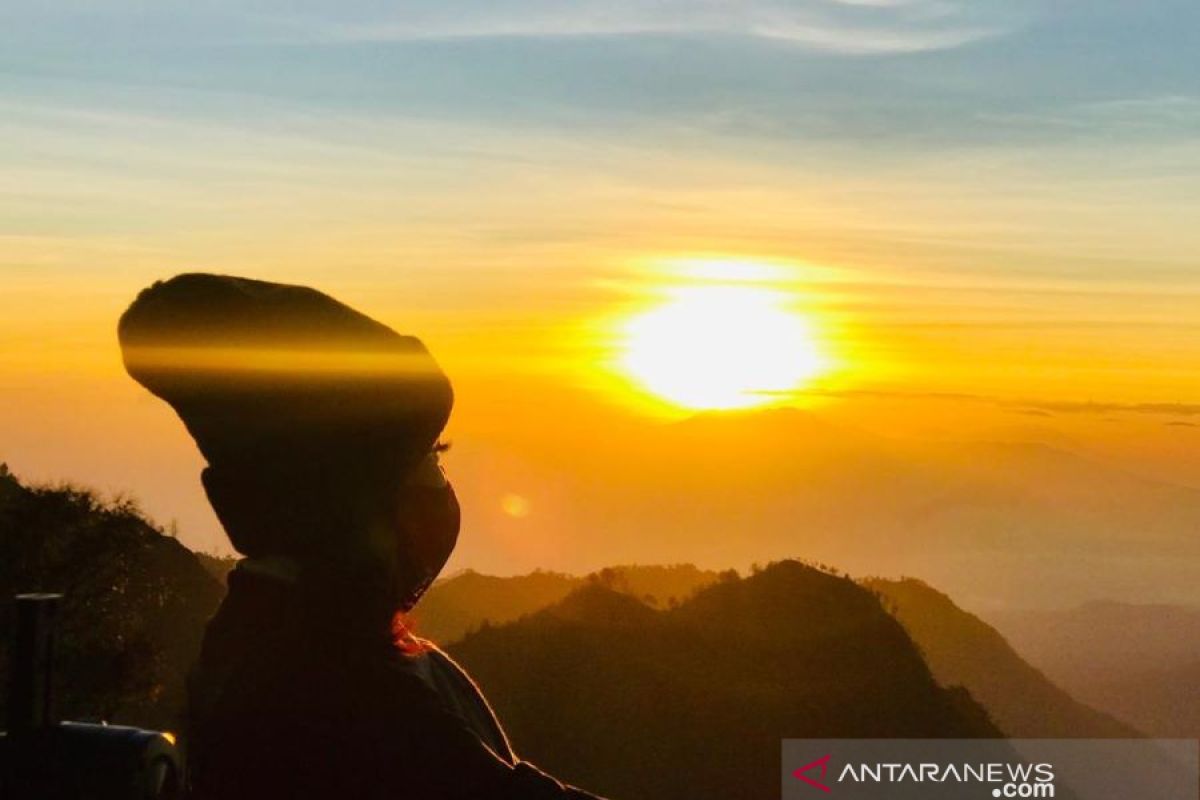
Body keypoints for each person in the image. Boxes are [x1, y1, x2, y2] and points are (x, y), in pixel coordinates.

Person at [118, 273, 605, 799]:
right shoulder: (327, 693)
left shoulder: (283, 640)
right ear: (350, 500)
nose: (442, 490)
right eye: (430, 460)